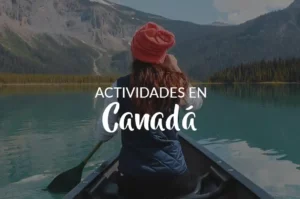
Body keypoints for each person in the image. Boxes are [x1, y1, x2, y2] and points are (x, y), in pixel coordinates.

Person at [96, 22, 203, 199]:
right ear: (163, 55)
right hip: (175, 180)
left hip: (134, 182)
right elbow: (196, 103)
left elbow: (103, 134)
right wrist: (175, 68)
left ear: (134, 54)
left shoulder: (119, 87)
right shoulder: (175, 85)